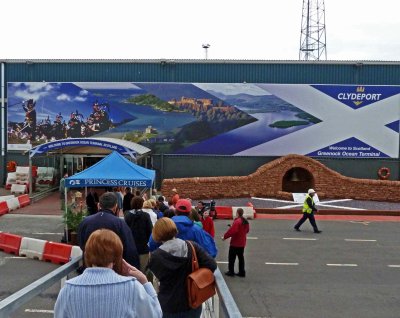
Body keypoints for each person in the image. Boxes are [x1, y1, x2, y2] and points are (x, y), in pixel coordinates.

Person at [54, 229, 162, 318]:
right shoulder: (132, 287)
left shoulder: (68, 289)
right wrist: (144, 281)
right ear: (117, 256)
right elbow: (156, 315)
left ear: (87, 254)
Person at [148, 218, 217, 318]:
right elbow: (212, 265)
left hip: (168, 305)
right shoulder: (192, 246)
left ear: (157, 234)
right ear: (174, 229)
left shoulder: (155, 257)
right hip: (192, 302)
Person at [78, 192, 140, 268]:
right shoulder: (120, 224)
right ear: (115, 206)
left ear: (99, 205)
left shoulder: (85, 222)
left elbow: (81, 245)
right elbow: (130, 251)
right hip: (113, 270)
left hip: (90, 267)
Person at [148, 199, 217, 258]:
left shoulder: (163, 227)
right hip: (189, 271)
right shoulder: (197, 230)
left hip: (165, 269)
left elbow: (151, 245)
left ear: (175, 211)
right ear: (190, 212)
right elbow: (211, 252)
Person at [124, 196, 153, 273]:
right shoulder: (146, 216)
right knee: (142, 272)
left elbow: (125, 232)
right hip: (143, 248)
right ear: (142, 204)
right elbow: (150, 231)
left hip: (130, 248)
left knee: (131, 272)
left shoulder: (127, 215)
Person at [222, 208, 250, 277]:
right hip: (242, 243)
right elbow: (247, 230)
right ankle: (242, 272)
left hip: (235, 243)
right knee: (241, 258)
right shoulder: (245, 221)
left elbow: (232, 231)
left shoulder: (237, 221)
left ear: (237, 213)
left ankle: (231, 271)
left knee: (231, 258)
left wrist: (224, 237)